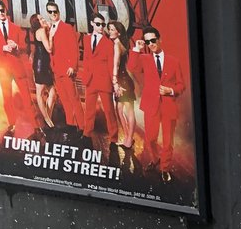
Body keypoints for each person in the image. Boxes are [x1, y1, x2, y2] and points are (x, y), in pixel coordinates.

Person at [130, 26, 186, 182]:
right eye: (148, 42)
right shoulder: (144, 58)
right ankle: (155, 160)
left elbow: (182, 86)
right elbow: (132, 67)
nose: (151, 44)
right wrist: (137, 48)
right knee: (150, 139)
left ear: (160, 39)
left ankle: (165, 168)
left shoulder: (174, 62)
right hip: (151, 105)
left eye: (153, 40)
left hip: (168, 106)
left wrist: (170, 90)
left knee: (168, 142)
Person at [0, 0, 32, 135]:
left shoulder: (15, 27)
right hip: (2, 68)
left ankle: (36, 125)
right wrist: (2, 47)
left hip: (17, 67)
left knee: (27, 98)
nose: (1, 13)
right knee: (7, 97)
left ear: (5, 9)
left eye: (2, 10)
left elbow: (24, 47)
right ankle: (12, 125)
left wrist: (16, 46)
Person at [80, 12, 119, 159]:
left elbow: (111, 64)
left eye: (103, 25)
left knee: (109, 111)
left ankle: (114, 138)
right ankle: (86, 133)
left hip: (104, 81)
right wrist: (85, 75)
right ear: (92, 24)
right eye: (98, 24)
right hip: (90, 80)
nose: (101, 27)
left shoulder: (109, 43)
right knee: (89, 109)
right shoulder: (86, 38)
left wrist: (113, 83)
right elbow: (87, 58)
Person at [46, 2, 82, 134]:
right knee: (65, 100)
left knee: (74, 99)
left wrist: (73, 65)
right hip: (55, 70)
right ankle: (71, 125)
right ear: (48, 13)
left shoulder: (66, 27)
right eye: (50, 12)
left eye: (55, 11)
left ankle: (82, 128)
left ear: (59, 12)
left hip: (66, 70)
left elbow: (74, 48)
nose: (53, 14)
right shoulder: (49, 29)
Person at [108, 20, 138, 171]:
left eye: (112, 29)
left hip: (121, 81)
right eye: (109, 29)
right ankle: (128, 137)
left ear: (118, 32)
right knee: (120, 109)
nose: (110, 31)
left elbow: (116, 64)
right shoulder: (122, 43)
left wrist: (115, 82)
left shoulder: (117, 44)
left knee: (126, 110)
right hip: (124, 79)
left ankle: (128, 140)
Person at [28, 14, 56, 129]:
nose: (43, 19)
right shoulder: (40, 31)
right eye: (40, 19)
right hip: (40, 65)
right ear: (37, 23)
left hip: (44, 64)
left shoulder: (43, 30)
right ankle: (46, 119)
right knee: (39, 93)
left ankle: (47, 119)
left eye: (42, 18)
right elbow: (49, 48)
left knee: (53, 93)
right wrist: (51, 36)